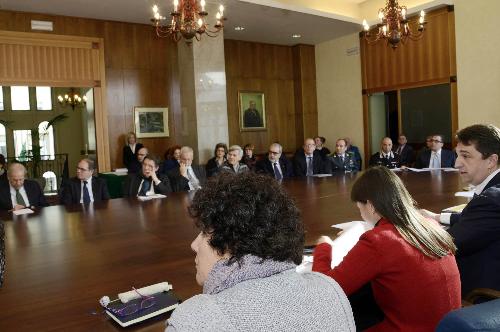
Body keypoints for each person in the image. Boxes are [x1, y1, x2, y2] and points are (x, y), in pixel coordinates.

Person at [165, 172, 356, 331]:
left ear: (232, 242)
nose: (193, 244)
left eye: (204, 232)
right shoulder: (330, 291)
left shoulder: (191, 322)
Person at [313, 166, 461, 331]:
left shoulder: (379, 240)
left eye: (359, 207)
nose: (361, 213)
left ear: (370, 205)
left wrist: (323, 247)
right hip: (448, 326)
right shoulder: (430, 226)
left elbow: (325, 292)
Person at [421, 124, 500, 295]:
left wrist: (411, 229)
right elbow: (474, 219)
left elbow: (444, 244)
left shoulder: (491, 200)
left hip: (480, 292)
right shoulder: (492, 194)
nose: (457, 163)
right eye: (457, 155)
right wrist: (437, 217)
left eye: (466, 156)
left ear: (491, 161)